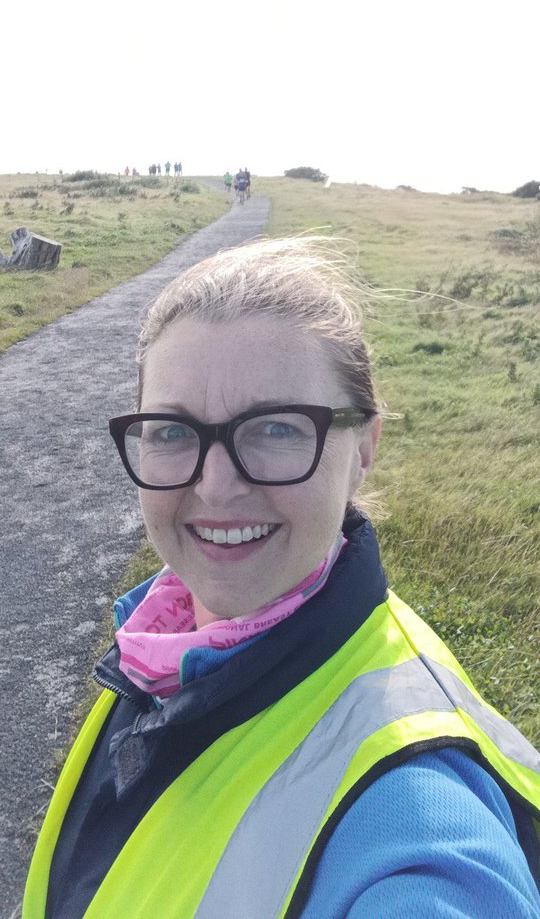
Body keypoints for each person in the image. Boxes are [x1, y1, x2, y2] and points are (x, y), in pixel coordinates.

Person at [24, 237, 540, 919]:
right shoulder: (166, 643)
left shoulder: (418, 837)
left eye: (274, 428)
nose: (216, 486)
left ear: (364, 449)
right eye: (173, 433)